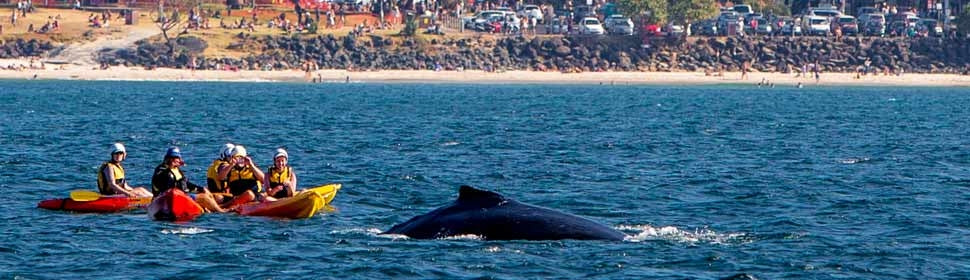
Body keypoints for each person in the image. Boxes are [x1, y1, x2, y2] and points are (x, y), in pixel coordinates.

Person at [151, 147, 226, 212]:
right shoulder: (161, 169)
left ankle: (213, 207)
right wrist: (169, 168)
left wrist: (201, 189)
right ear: (168, 158)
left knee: (212, 195)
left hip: (181, 197)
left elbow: (186, 184)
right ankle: (221, 211)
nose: (176, 160)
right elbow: (165, 183)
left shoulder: (177, 171)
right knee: (204, 198)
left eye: (177, 158)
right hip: (165, 198)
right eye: (173, 158)